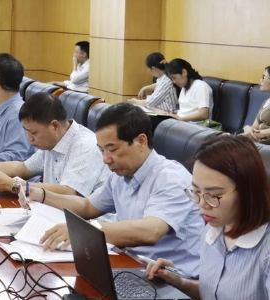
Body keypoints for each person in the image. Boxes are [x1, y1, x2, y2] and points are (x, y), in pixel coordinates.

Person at [27, 103, 204, 276]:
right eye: (102, 150)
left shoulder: (171, 178)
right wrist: (41, 194)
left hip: (173, 280)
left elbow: (151, 231)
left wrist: (84, 231)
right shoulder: (120, 175)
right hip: (133, 267)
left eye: (112, 150)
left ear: (141, 141)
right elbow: (87, 206)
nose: (106, 159)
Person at [146, 135, 270, 299]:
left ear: (247, 191)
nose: (202, 204)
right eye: (196, 192)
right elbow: (212, 293)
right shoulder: (212, 231)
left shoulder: (265, 250)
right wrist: (180, 282)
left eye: (213, 195)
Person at [0, 92, 109, 197]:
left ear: (54, 126)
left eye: (33, 133)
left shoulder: (84, 145)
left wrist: (12, 184)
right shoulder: (52, 141)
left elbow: (69, 192)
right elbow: (23, 168)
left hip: (91, 223)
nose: (29, 138)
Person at [165, 58, 213, 123]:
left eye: (174, 78)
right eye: (172, 79)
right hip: (184, 123)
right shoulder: (184, 87)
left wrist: (181, 119)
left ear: (184, 72)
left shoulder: (200, 86)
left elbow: (204, 114)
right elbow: (189, 109)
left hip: (196, 126)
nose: (174, 82)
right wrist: (177, 112)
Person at [242, 65, 270, 141]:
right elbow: (255, 127)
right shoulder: (266, 101)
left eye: (264, 77)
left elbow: (258, 133)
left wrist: (256, 134)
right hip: (258, 140)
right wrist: (247, 128)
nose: (261, 80)